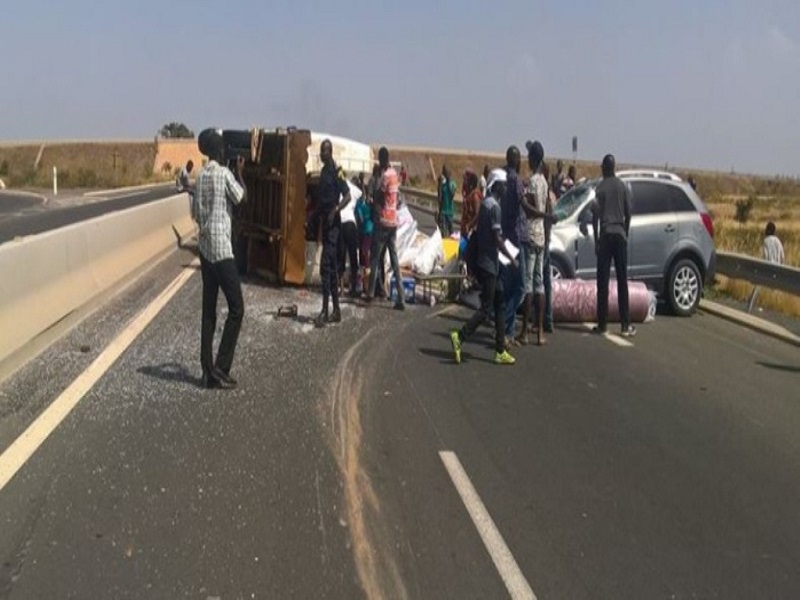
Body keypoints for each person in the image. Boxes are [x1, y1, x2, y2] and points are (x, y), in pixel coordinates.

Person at [192, 132, 246, 389]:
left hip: (204, 250)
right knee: (237, 308)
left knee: (209, 311)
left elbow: (195, 213)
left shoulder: (200, 176)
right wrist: (241, 173)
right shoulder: (224, 174)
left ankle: (206, 370)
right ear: (219, 150)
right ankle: (222, 368)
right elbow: (241, 198)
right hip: (222, 250)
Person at [450, 168, 518, 365]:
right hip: (489, 265)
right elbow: (497, 238)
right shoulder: (494, 207)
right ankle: (460, 336)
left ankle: (499, 350)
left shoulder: (486, 205)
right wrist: (511, 259)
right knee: (486, 309)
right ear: (497, 185)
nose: (506, 188)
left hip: (486, 263)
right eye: (504, 185)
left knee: (500, 303)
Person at [591, 153, 636, 337]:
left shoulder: (600, 188)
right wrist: (625, 231)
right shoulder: (623, 187)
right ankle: (625, 325)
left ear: (605, 167)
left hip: (606, 235)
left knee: (603, 281)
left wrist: (596, 240)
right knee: (622, 280)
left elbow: (594, 216)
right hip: (619, 236)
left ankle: (603, 324)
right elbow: (629, 213)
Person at [310, 139, 352, 326]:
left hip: (334, 227)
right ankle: (336, 310)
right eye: (321, 151)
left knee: (325, 268)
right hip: (324, 225)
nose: (321, 154)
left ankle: (325, 312)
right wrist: (312, 218)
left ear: (330, 152)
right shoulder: (324, 172)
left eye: (324, 151)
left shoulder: (337, 171)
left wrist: (335, 210)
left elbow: (348, 196)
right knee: (332, 269)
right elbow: (321, 202)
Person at [521, 140, 552, 346]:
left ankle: (524, 331)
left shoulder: (532, 182)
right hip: (541, 235)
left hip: (531, 233)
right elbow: (545, 207)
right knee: (540, 284)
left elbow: (530, 209)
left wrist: (522, 202)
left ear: (533, 158)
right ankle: (540, 331)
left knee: (529, 284)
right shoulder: (544, 181)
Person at [366, 147, 405, 309]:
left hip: (382, 221)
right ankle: (401, 297)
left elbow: (379, 197)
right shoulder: (395, 175)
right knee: (395, 261)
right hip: (393, 222)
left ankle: (370, 294)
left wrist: (373, 200)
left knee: (375, 258)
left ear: (382, 160)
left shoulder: (385, 177)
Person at [501, 145, 528, 346]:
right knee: (520, 286)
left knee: (509, 285)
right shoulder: (516, 181)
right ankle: (505, 327)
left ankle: (508, 330)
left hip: (505, 238)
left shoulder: (502, 180)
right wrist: (543, 214)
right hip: (517, 238)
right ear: (517, 161)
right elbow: (523, 205)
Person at [541, 161, 557, 333]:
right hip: (547, 240)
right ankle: (548, 318)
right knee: (547, 282)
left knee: (536, 283)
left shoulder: (543, 193)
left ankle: (541, 319)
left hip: (541, 241)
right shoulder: (551, 195)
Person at [338, 182, 360, 297]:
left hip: (341, 223)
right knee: (353, 258)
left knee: (340, 256)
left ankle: (341, 290)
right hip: (351, 224)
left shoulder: (338, 186)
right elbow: (361, 195)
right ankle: (354, 288)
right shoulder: (354, 189)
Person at [460, 168, 481, 239]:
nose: (464, 182)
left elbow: (477, 213)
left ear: (470, 182)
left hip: (471, 233)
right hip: (464, 232)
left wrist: (469, 225)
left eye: (466, 180)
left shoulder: (475, 195)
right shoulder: (468, 194)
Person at [438, 165, 456, 237]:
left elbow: (452, 195)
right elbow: (440, 199)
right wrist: (439, 185)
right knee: (443, 232)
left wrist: (448, 183)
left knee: (451, 231)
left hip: (450, 212)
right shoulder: (442, 185)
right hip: (443, 211)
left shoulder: (453, 184)